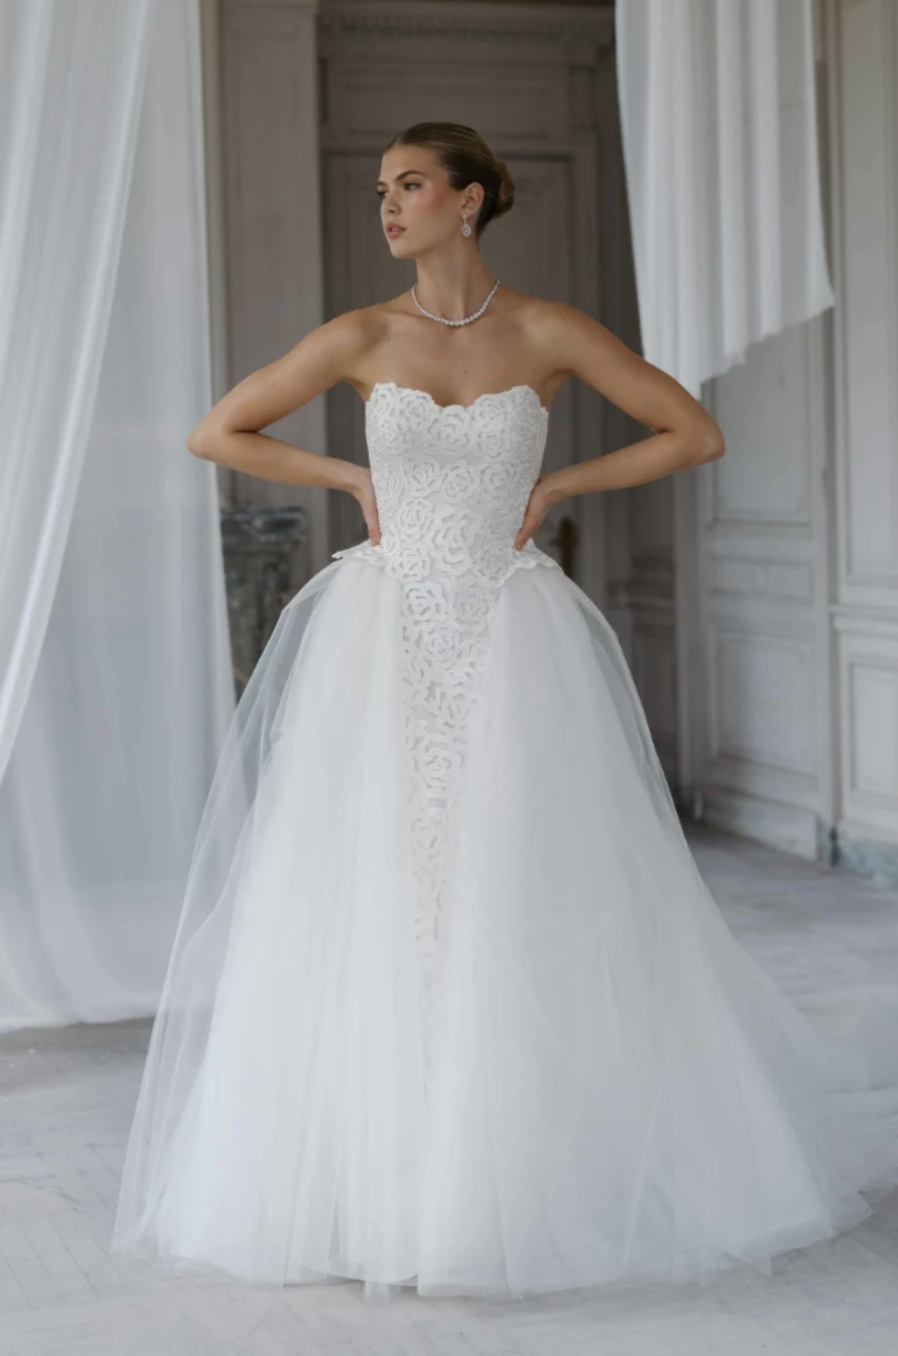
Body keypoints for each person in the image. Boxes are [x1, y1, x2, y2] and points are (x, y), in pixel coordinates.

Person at [111, 121, 898, 1304]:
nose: (389, 206)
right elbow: (215, 431)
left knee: (511, 882)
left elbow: (696, 431)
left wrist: (565, 483)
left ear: (470, 202)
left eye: (412, 185)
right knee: (383, 887)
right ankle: (385, 1166)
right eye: (382, 189)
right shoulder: (361, 335)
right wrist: (350, 478)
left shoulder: (549, 332)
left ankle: (513, 1158)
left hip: (510, 637)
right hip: (381, 644)